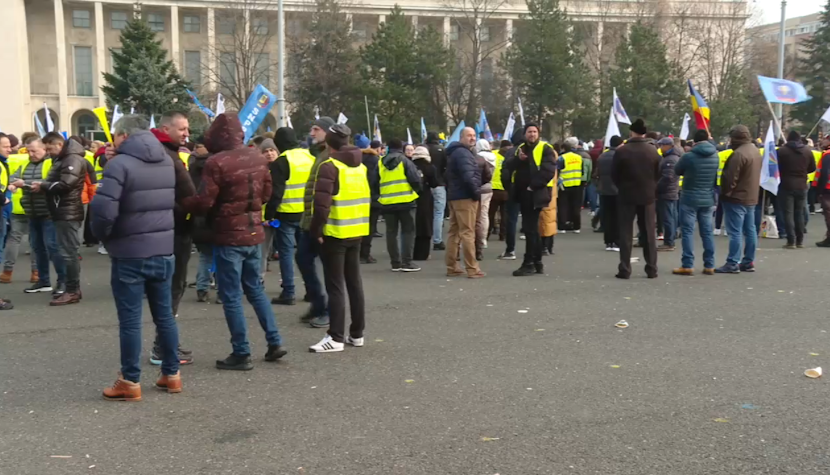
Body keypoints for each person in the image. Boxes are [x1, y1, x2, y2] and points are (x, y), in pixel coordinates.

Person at [183, 113, 287, 370]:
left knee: (231, 296)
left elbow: (205, 201)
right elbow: (266, 194)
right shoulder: (256, 156)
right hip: (254, 234)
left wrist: (183, 204)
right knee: (255, 290)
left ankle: (241, 352)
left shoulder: (215, 162)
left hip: (229, 236)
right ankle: (274, 342)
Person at [90, 115, 182, 401]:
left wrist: (102, 236)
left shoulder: (119, 165)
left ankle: (130, 380)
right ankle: (172, 374)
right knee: (164, 315)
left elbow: (104, 211)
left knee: (130, 320)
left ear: (124, 136)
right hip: (164, 248)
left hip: (130, 252)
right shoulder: (167, 160)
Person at [307, 124, 369, 353]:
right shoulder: (359, 166)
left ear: (329, 144)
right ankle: (357, 333)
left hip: (335, 232)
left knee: (335, 286)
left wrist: (316, 231)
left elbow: (321, 206)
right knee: (354, 284)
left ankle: (335, 337)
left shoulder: (329, 166)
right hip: (356, 230)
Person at [148, 111, 196, 366]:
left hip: (164, 231)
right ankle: (163, 347)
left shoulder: (162, 153)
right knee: (172, 288)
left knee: (167, 288)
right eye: (182, 129)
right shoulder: (167, 157)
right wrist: (192, 211)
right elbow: (184, 196)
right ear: (166, 129)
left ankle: (164, 344)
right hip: (175, 231)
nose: (187, 133)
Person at [265, 127, 316, 307]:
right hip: (308, 213)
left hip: (286, 214)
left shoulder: (282, 161)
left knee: (286, 254)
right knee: (307, 254)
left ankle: (289, 292)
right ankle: (312, 290)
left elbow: (276, 193)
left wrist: (269, 214)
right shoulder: (311, 157)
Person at [9, 139, 65, 295]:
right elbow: (13, 178)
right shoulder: (24, 164)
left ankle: (63, 282)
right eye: (28, 151)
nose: (30, 154)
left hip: (48, 213)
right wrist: (14, 184)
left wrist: (24, 183)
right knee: (37, 249)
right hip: (32, 213)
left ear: (44, 149)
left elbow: (50, 183)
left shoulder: (51, 164)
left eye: (34, 151)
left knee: (53, 248)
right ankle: (43, 281)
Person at [36, 133, 86, 305]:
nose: (48, 152)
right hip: (62, 210)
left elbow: (65, 184)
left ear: (58, 144)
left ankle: (72, 290)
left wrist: (42, 185)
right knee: (66, 252)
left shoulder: (72, 159)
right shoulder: (64, 158)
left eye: (49, 148)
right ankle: (70, 289)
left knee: (69, 252)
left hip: (68, 211)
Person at [502, 123, 557, 276]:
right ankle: (537, 262)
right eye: (529, 132)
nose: (532, 134)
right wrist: (518, 160)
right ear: (524, 134)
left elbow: (548, 171)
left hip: (535, 193)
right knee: (532, 229)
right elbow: (508, 166)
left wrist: (532, 187)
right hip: (522, 193)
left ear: (538, 134)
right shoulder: (521, 149)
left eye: (534, 132)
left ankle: (529, 263)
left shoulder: (545, 148)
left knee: (530, 229)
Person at [612, 119, 661, 279]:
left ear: (631, 132)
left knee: (626, 232)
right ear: (644, 133)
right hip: (647, 196)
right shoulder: (653, 151)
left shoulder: (622, 151)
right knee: (649, 232)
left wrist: (622, 187)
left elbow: (615, 175)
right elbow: (658, 173)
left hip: (626, 195)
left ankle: (625, 269)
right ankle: (652, 268)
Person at [297, 117, 334, 328]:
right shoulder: (320, 154)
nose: (312, 133)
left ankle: (327, 310)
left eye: (316, 129)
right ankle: (319, 303)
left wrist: (319, 224)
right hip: (311, 221)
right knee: (302, 258)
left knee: (329, 268)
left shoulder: (329, 156)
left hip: (322, 223)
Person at [715, 125, 763, 273]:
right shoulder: (755, 151)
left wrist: (726, 193)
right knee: (750, 230)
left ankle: (732, 262)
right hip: (751, 196)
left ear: (735, 138)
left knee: (735, 232)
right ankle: (748, 261)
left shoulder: (738, 154)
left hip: (736, 197)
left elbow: (730, 178)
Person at [672, 130, 718, 275]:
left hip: (689, 197)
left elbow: (677, 170)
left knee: (687, 231)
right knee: (707, 232)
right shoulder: (715, 155)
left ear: (694, 141)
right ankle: (709, 264)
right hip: (708, 197)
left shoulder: (688, 156)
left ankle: (687, 264)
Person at [445, 127, 484, 278]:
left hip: (455, 195)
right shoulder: (463, 153)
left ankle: (452, 266)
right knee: (468, 232)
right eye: (469, 135)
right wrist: (476, 193)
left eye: (474, 135)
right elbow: (468, 176)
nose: (472, 138)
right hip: (465, 196)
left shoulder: (455, 152)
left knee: (454, 232)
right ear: (461, 137)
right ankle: (472, 268)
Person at [378, 139, 422, 272]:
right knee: (407, 232)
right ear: (401, 148)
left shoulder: (380, 163)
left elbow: (374, 181)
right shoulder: (405, 161)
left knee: (391, 233)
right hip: (406, 201)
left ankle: (395, 263)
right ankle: (407, 262)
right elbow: (415, 179)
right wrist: (417, 191)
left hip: (387, 202)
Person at [3, 141, 39, 285]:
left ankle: (7, 272)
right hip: (34, 205)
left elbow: (8, 181)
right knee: (35, 241)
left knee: (14, 239)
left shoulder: (11, 159)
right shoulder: (36, 162)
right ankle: (36, 273)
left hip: (15, 204)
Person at [188, 139, 217, 303]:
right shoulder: (220, 165)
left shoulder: (193, 166)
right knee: (222, 255)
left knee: (205, 255)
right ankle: (222, 290)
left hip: (199, 216)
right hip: (217, 216)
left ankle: (202, 287)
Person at [776, 130, 816, 249]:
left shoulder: (781, 151)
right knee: (799, 213)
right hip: (802, 184)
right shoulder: (807, 151)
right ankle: (800, 240)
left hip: (786, 184)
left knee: (788, 213)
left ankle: (791, 240)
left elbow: (775, 167)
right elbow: (812, 168)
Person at [498, 132, 525, 260]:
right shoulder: (533, 150)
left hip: (513, 188)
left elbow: (504, 172)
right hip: (530, 188)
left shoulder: (510, 153)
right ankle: (540, 249)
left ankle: (510, 249)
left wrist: (507, 187)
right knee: (532, 219)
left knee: (512, 219)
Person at [258, 138, 280, 281]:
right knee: (262, 251)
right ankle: (259, 279)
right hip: (264, 217)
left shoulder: (283, 168)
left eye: (272, 150)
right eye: (265, 151)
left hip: (283, 215)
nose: (269, 154)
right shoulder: (259, 170)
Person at [411, 145, 438, 260]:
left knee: (412, 226)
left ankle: (410, 252)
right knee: (426, 225)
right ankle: (424, 253)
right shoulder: (430, 167)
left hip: (411, 197)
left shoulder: (409, 166)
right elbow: (434, 183)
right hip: (425, 197)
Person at [359, 139, 383, 263]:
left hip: (358, 197)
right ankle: (365, 254)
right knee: (370, 227)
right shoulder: (376, 161)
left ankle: (357, 252)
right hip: (373, 197)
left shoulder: (357, 161)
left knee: (359, 226)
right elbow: (376, 180)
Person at [656, 137, 682, 251]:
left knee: (668, 218)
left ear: (668, 146)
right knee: (671, 216)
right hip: (671, 191)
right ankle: (670, 239)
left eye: (662, 145)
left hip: (667, 192)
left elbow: (668, 177)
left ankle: (669, 242)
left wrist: (656, 187)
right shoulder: (671, 157)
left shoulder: (670, 160)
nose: (660, 148)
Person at [597, 136, 622, 251]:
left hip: (604, 189)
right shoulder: (620, 156)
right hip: (617, 190)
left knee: (607, 217)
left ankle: (608, 242)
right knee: (618, 217)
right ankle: (617, 241)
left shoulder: (602, 156)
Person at [557, 137, 585, 233]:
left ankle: (562, 226)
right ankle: (576, 227)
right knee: (576, 206)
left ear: (564, 149)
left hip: (564, 185)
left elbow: (557, 171)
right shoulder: (579, 158)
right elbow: (582, 172)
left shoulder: (561, 158)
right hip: (577, 184)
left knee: (563, 206)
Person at [425, 132, 447, 251]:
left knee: (425, 213)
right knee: (438, 213)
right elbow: (445, 166)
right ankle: (437, 240)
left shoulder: (423, 149)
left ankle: (424, 238)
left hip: (425, 184)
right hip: (439, 183)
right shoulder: (442, 150)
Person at [474, 139, 495, 261]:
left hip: (479, 187)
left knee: (476, 217)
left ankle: (477, 240)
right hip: (489, 188)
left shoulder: (479, 157)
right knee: (484, 215)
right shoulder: (493, 156)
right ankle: (483, 240)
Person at [489, 140, 510, 242]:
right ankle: (503, 235)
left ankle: (487, 233)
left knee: (490, 214)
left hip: (493, 188)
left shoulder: (493, 154)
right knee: (505, 214)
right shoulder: (511, 156)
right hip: (506, 189)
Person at [815, 135, 830, 247]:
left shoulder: (827, 155)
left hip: (827, 189)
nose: (823, 141)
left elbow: (823, 173)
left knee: (828, 214)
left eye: (825, 139)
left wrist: (819, 190)